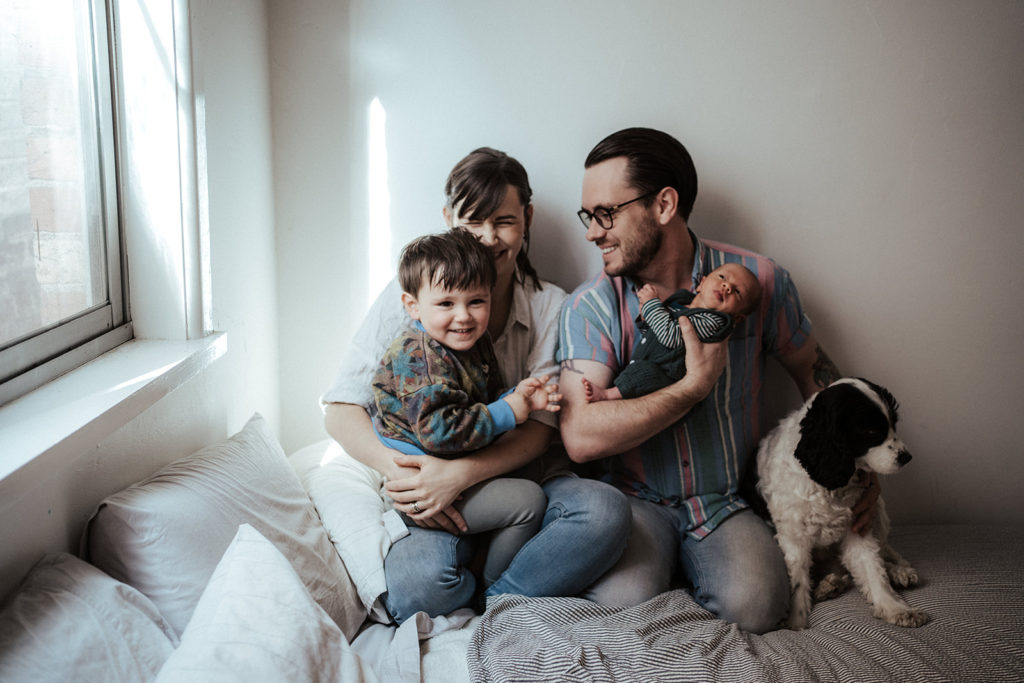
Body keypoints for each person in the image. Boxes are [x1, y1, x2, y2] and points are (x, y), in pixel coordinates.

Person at [557, 127, 879, 634]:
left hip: (724, 502)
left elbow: (817, 377)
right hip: (636, 501)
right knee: (621, 605)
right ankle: (663, 569)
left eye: (606, 214)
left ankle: (704, 569)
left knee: (757, 603)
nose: (592, 232)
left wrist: (857, 470)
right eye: (588, 216)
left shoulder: (757, 283)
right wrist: (690, 389)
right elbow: (580, 437)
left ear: (664, 204)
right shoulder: (590, 306)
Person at [322, 147, 631, 625]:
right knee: (413, 593)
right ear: (449, 219)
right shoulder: (415, 295)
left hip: (521, 479)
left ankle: (498, 602)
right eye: (473, 223)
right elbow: (340, 406)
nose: (489, 238)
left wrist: (461, 476)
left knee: (606, 513)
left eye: (504, 221)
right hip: (428, 479)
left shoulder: (551, 305)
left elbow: (541, 431)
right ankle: (489, 575)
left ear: (526, 218)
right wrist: (404, 473)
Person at [371, 229, 561, 588]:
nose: (464, 316)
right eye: (446, 304)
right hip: (419, 483)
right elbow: (440, 431)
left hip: (449, 464)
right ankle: (494, 588)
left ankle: (483, 557)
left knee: (533, 469)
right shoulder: (420, 358)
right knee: (529, 502)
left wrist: (516, 395)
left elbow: (476, 397)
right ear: (413, 306)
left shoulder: (468, 342)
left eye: (476, 301)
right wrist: (509, 411)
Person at [583, 262, 762, 403]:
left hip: (666, 374)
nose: (726, 286)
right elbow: (654, 332)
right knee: (635, 374)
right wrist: (647, 315)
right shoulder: (680, 301)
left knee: (643, 375)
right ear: (702, 283)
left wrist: (653, 304)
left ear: (738, 318)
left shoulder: (714, 321)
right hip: (646, 359)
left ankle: (608, 396)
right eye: (722, 277)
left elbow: (671, 337)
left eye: (737, 291)